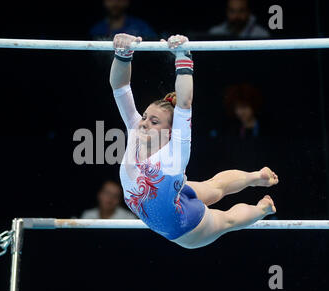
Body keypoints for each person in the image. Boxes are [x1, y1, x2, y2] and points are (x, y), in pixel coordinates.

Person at [109, 33, 278, 249]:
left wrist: (183, 58)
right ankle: (257, 176)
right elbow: (120, 87)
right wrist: (123, 54)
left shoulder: (175, 153)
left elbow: (185, 103)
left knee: (228, 220)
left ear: (170, 133)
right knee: (213, 187)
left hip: (186, 226)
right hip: (173, 200)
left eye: (154, 121)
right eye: (144, 117)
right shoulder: (135, 131)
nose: (143, 123)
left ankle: (261, 209)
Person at [90, 0, 156, 40]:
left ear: (127, 1)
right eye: (111, 0)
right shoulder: (96, 29)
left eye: (119, 0)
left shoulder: (141, 27)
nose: (115, 3)